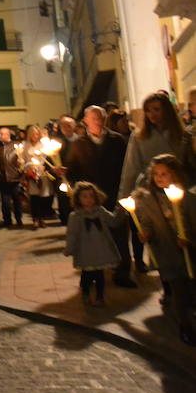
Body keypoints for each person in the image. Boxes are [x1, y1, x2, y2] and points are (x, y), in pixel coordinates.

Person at [65, 106, 134, 287]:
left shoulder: (116, 140)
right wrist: (67, 176)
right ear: (86, 120)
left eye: (100, 117)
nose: (97, 120)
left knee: (119, 234)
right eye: (93, 117)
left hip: (114, 195)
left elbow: (127, 166)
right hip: (91, 200)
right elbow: (73, 169)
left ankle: (123, 273)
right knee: (94, 237)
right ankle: (95, 272)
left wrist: (125, 191)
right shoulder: (79, 143)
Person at [133, 154, 196, 345]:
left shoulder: (188, 197)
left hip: (191, 254)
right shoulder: (148, 199)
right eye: (156, 174)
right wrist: (145, 234)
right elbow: (147, 223)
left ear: (175, 175)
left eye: (165, 174)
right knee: (179, 293)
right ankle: (186, 327)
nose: (160, 178)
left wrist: (189, 239)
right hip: (168, 253)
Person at [119, 92, 194, 200]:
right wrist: (123, 199)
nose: (152, 114)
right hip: (151, 193)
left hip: (178, 189)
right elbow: (131, 171)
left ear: (166, 110)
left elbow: (190, 166)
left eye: (156, 109)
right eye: (148, 111)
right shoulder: (139, 137)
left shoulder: (182, 135)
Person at [63, 182, 122, 307]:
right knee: (87, 275)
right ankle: (85, 293)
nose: (88, 199)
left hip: (101, 249)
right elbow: (72, 234)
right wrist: (69, 248)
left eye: (91, 196)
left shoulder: (100, 211)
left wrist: (121, 210)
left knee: (100, 276)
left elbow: (113, 221)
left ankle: (100, 297)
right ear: (78, 198)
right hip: (85, 251)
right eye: (84, 196)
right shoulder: (75, 216)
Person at [21, 125, 55, 229]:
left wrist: (44, 168)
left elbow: (47, 159)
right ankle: (35, 219)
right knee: (34, 198)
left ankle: (42, 218)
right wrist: (28, 169)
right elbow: (23, 160)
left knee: (43, 198)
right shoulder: (25, 145)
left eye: (36, 134)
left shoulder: (43, 145)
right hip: (31, 173)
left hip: (42, 173)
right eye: (32, 134)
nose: (34, 136)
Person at [0, 127, 24, 228]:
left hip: (15, 177)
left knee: (17, 200)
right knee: (5, 201)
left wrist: (20, 170)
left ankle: (19, 219)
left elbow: (22, 160)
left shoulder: (16, 145)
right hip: (3, 178)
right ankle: (7, 220)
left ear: (8, 135)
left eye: (1, 134)